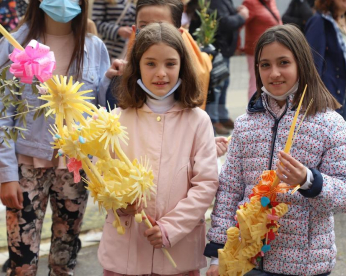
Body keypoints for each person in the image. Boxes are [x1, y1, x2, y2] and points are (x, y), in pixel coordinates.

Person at [205, 24, 346, 276]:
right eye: (265, 64)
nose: (274, 73)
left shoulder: (330, 123)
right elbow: (230, 190)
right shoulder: (246, 124)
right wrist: (218, 253)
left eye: (284, 62)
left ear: (302, 63)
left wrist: (309, 181)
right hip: (248, 261)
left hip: (305, 265)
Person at [98, 22, 218, 276]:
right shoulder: (116, 120)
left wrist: (170, 228)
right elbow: (101, 176)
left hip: (179, 255)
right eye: (150, 63)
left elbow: (206, 184)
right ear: (137, 67)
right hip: (124, 256)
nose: (161, 73)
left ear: (183, 66)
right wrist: (119, 202)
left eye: (170, 64)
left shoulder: (198, 121)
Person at [0, 0, 110, 274]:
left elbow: (105, 112)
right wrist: (6, 174)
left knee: (64, 261)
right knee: (22, 264)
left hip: (75, 168)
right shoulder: (16, 43)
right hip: (26, 167)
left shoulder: (95, 48)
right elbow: (3, 112)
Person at [102, 0, 212, 111]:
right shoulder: (121, 81)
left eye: (161, 26)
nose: (150, 34)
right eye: (144, 26)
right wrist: (106, 81)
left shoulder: (191, 82)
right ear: (135, 31)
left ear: (178, 34)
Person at [305, 0, 346, 124]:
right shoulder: (319, 22)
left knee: (343, 134)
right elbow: (312, 65)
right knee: (331, 137)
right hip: (331, 95)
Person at [205, 0, 248, 135]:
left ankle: (222, 116)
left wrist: (236, 12)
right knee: (217, 86)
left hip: (225, 50)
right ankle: (213, 119)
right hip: (219, 50)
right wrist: (241, 16)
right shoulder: (216, 1)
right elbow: (223, 23)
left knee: (224, 84)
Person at [242, 0, 282, 100]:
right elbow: (239, 24)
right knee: (255, 81)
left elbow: (277, 20)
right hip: (256, 50)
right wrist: (237, 44)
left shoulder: (271, 2)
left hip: (275, 50)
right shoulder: (250, 3)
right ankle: (253, 108)